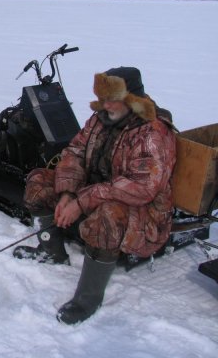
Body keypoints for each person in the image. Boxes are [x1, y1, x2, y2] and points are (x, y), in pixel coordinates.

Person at [13, 66, 176, 324]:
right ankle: (51, 252)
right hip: (95, 194)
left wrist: (82, 200)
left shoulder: (152, 132)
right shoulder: (101, 118)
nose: (105, 104)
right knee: (40, 181)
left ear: (132, 100)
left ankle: (88, 297)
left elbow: (142, 187)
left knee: (107, 216)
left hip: (145, 215)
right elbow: (74, 152)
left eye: (112, 98)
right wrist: (67, 193)